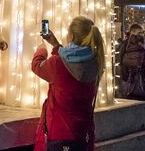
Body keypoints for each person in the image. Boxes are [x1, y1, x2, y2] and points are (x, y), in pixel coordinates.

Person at [32, 16, 105, 151]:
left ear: (71, 36)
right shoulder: (96, 61)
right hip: (82, 133)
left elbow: (37, 66)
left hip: (59, 133)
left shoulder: (56, 63)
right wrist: (56, 45)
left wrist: (41, 50)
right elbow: (72, 62)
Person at [120, 26, 145, 101]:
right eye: (139, 33)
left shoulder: (127, 51)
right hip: (141, 84)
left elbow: (123, 67)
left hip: (129, 84)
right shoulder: (142, 52)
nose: (141, 35)